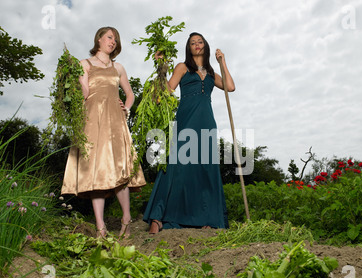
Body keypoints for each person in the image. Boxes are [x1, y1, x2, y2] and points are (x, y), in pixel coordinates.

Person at [143, 32, 235, 234]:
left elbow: (230, 87)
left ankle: (207, 217)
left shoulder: (212, 72)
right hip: (186, 120)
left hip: (207, 122)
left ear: (205, 46)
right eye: (192, 42)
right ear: (189, 47)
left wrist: (223, 62)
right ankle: (158, 217)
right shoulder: (182, 67)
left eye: (200, 41)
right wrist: (161, 69)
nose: (196, 45)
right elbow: (165, 93)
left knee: (205, 168)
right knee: (176, 165)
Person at [61, 27, 146, 238]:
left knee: (120, 169)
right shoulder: (85, 64)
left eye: (116, 39)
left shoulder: (118, 68)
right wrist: (71, 83)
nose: (113, 41)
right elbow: (84, 93)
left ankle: (126, 218)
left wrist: (126, 108)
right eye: (110, 37)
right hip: (91, 120)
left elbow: (130, 94)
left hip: (115, 121)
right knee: (95, 171)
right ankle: (100, 226)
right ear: (99, 39)